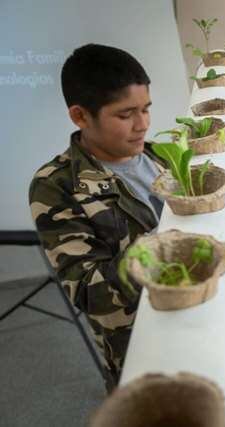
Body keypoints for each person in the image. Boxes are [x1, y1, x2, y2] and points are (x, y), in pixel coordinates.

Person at [29, 44, 165, 389]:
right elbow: (90, 295)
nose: (143, 125)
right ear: (80, 116)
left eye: (146, 109)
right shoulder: (57, 186)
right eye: (125, 115)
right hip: (144, 347)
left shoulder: (160, 157)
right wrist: (161, 248)